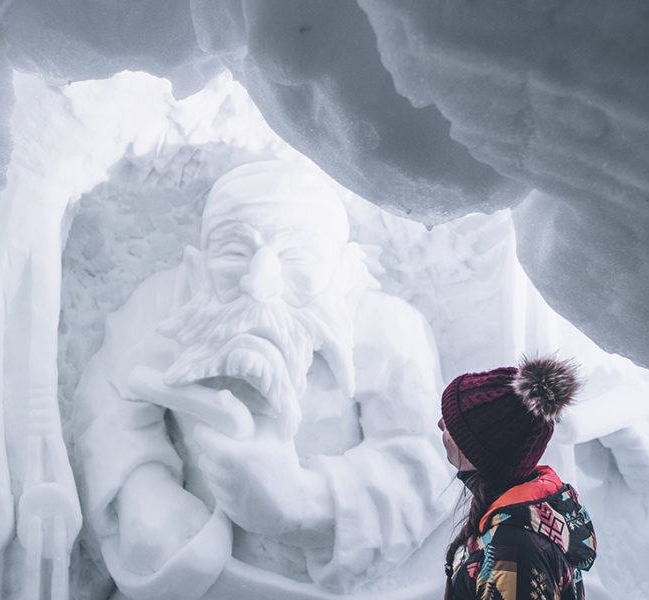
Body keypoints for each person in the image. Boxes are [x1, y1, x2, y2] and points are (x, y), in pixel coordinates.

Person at [73, 160, 453, 599]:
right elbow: (110, 396)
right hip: (199, 578)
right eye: (235, 252)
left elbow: (426, 460)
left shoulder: (385, 329)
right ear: (198, 267)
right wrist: (143, 493)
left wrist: (305, 503)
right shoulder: (167, 306)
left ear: (344, 270)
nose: (260, 282)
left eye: (296, 256)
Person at [438, 356, 597, 600]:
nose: (441, 425)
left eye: (452, 425)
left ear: (477, 451)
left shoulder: (512, 550)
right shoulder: (518, 513)